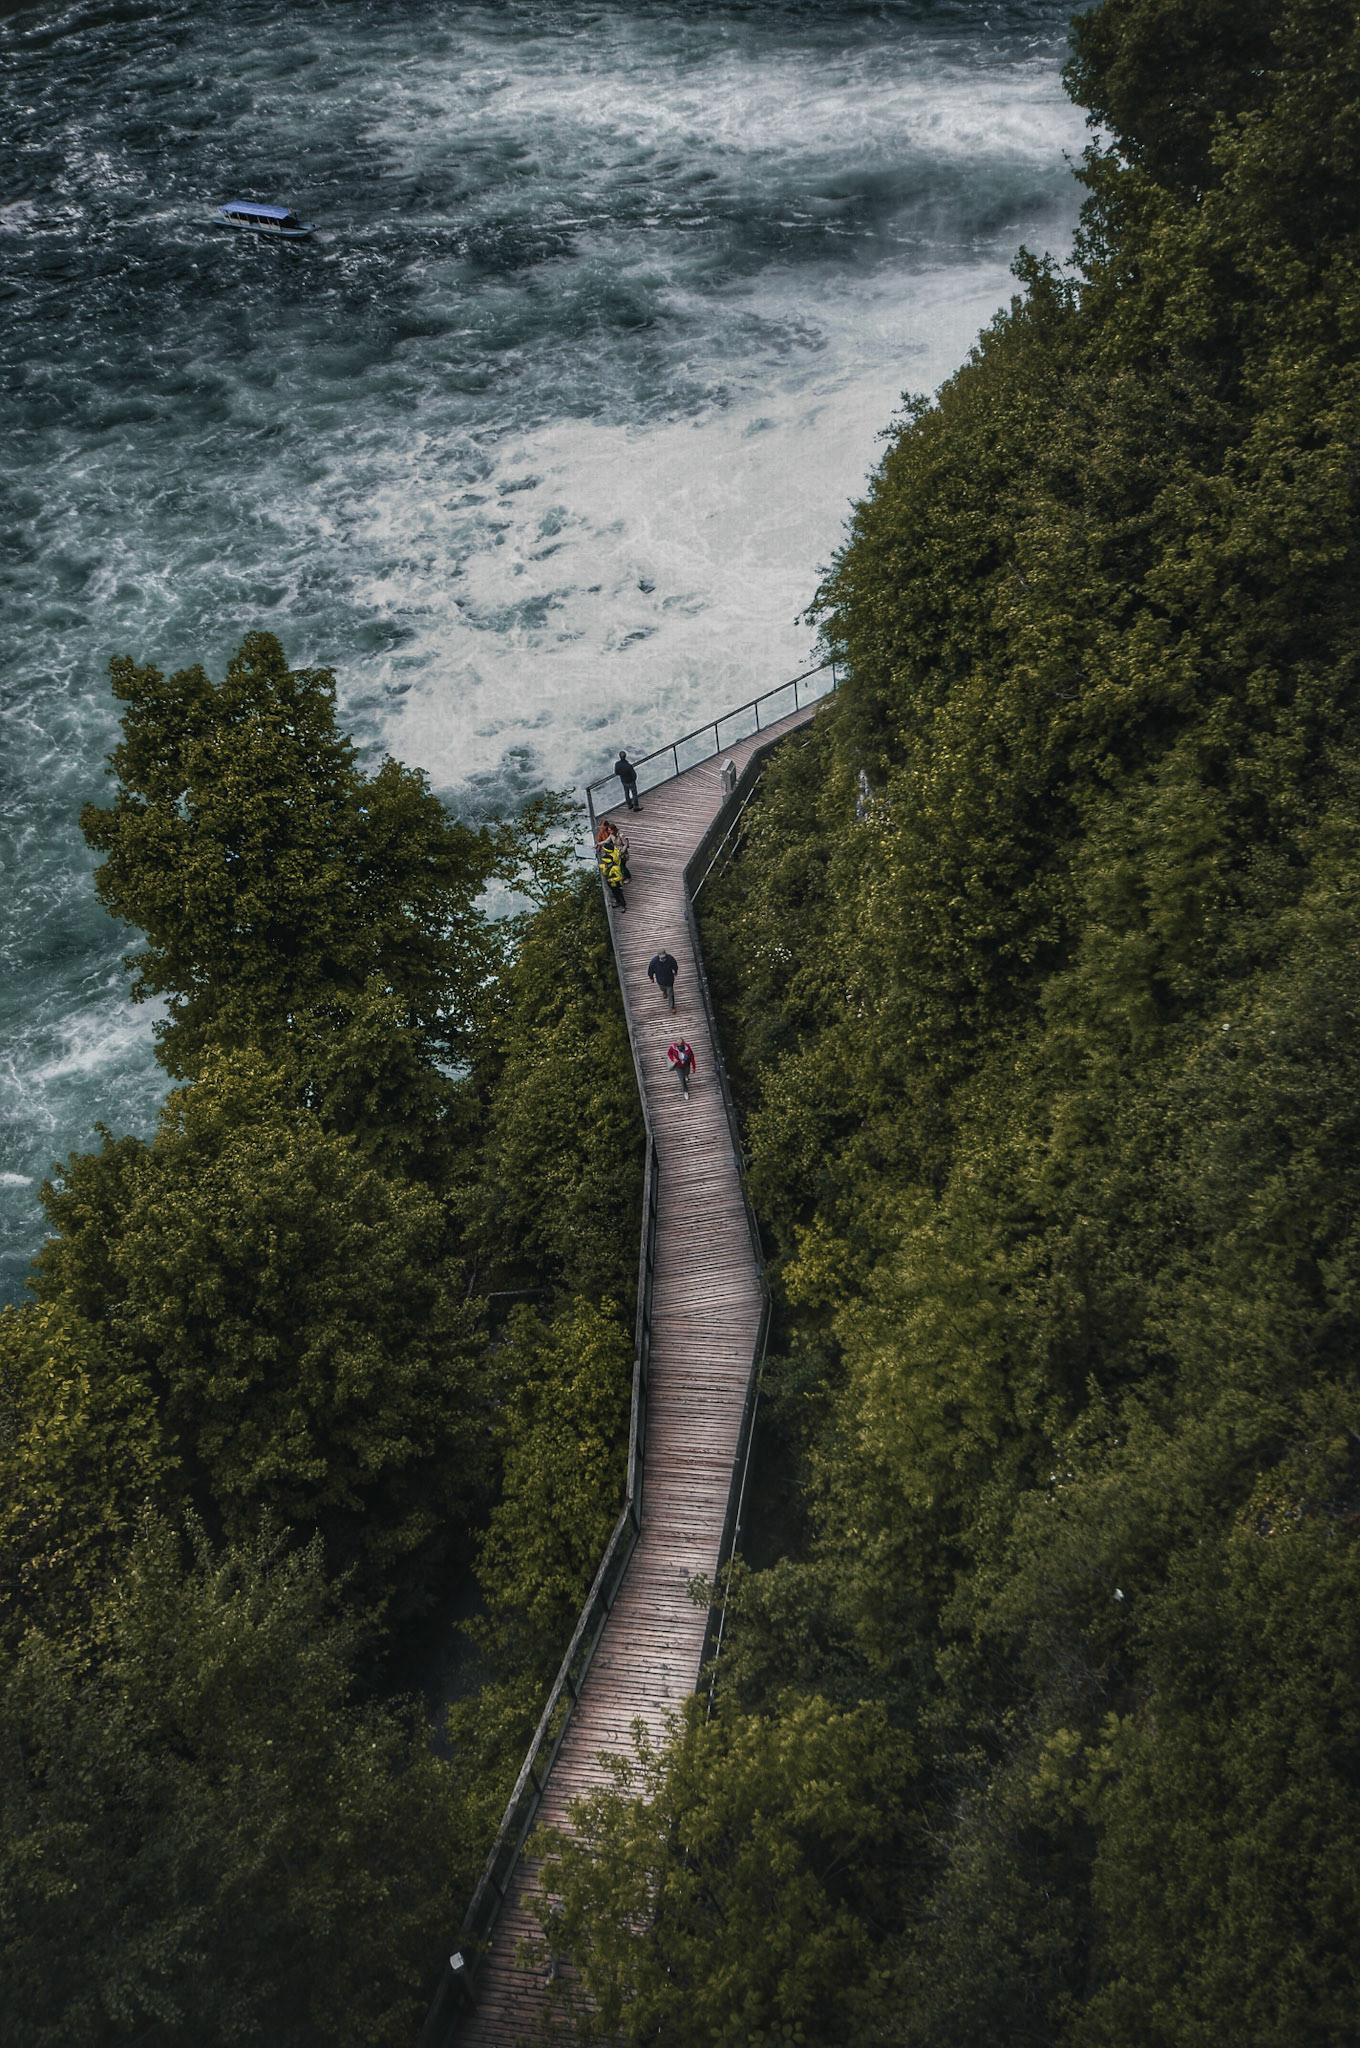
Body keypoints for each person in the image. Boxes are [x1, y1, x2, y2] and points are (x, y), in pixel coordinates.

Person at [599, 837, 627, 911]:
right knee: (615, 893)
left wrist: (611, 879)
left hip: (615, 882)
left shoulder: (614, 868)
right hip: (612, 882)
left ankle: (623, 905)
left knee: (619, 894)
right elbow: (605, 869)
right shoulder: (615, 851)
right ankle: (618, 902)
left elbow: (619, 877)